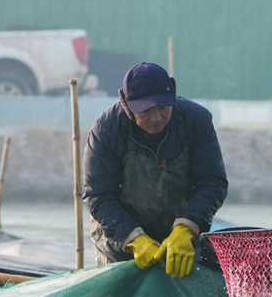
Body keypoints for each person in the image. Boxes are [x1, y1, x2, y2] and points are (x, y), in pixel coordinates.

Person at [83, 62, 228, 278]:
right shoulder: (107, 129)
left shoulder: (196, 120)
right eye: (146, 111)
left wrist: (186, 228)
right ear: (127, 106)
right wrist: (133, 238)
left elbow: (212, 183)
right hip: (120, 236)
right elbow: (98, 195)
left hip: (180, 237)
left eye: (163, 108)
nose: (157, 117)